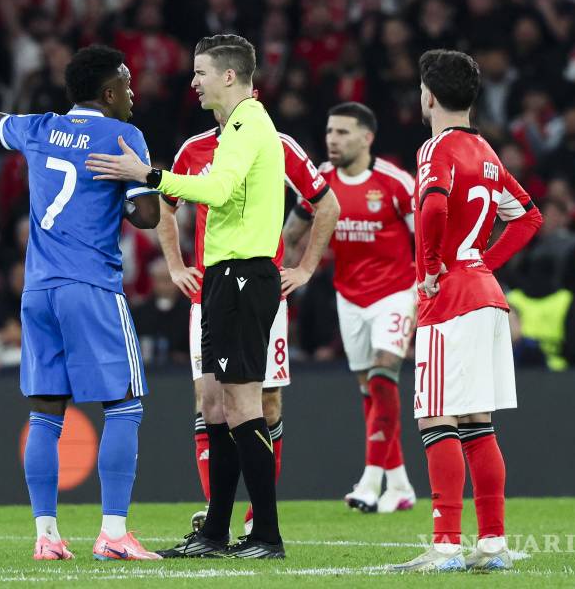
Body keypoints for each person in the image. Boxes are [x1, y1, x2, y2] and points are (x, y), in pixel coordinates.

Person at [0, 43, 162, 562]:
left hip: (38, 291)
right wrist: (138, 179)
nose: (132, 93)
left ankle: (47, 536)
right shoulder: (123, 136)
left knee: (45, 414)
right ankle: (113, 534)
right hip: (91, 286)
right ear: (109, 93)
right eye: (127, 84)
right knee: (125, 404)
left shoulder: (40, 127)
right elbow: (147, 217)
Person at [87, 34, 292, 559]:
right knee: (219, 406)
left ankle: (266, 535)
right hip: (224, 275)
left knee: (244, 405)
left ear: (229, 75)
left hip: (244, 274)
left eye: (201, 72)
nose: (194, 81)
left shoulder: (248, 123)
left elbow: (218, 191)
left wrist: (148, 175)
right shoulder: (237, 126)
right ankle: (216, 532)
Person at [388, 50, 542, 573]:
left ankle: (446, 545)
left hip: (450, 299)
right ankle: (492, 544)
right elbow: (528, 217)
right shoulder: (486, 151)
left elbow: (433, 203)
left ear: (429, 95)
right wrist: (481, 264)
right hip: (485, 296)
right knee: (477, 423)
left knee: (436, 416)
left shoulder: (436, 148)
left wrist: (434, 268)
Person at [157, 100, 338, 535]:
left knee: (265, 403)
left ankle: (260, 516)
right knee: (210, 401)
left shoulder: (278, 144)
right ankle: (215, 513)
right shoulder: (194, 149)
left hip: (259, 292)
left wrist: (305, 269)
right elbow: (165, 206)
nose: (195, 85)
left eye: (202, 74)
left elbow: (326, 205)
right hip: (209, 293)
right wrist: (176, 266)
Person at [284, 102, 417, 515]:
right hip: (350, 297)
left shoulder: (396, 183)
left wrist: (428, 291)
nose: (332, 140)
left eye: (342, 132)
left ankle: (370, 482)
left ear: (367, 138)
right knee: (369, 390)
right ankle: (400, 485)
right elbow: (291, 233)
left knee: (383, 374)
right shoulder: (320, 181)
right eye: (329, 132)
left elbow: (427, 240)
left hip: (397, 292)